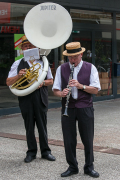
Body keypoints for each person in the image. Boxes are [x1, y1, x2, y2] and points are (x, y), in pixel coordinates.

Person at [52, 42, 101, 178]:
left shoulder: (90, 68)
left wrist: (81, 86)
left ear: (81, 54)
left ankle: (89, 167)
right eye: (70, 57)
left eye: (75, 57)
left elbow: (96, 90)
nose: (72, 60)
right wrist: (61, 93)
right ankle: (72, 167)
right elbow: (55, 90)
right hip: (68, 108)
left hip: (85, 107)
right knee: (69, 139)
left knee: (87, 139)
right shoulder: (62, 69)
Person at [6, 35, 56, 163]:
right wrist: (18, 76)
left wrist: (42, 83)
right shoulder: (17, 63)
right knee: (29, 127)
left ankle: (46, 151)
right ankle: (31, 152)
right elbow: (8, 82)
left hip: (40, 97)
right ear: (22, 49)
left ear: (36, 48)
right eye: (26, 46)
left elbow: (50, 81)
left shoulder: (43, 62)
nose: (28, 48)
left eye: (31, 46)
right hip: (26, 99)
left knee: (42, 126)